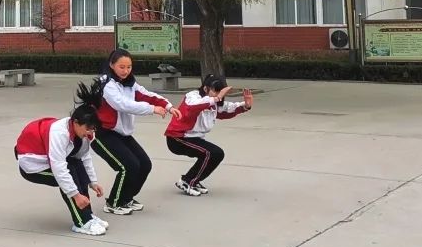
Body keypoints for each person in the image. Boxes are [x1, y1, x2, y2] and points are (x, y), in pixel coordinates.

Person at [91, 48, 180, 215]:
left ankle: (126, 198)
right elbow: (122, 104)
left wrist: (168, 106)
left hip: (123, 134)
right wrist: (152, 109)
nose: (126, 71)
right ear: (111, 65)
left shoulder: (130, 83)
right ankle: (114, 203)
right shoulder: (106, 84)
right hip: (103, 134)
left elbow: (146, 95)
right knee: (128, 166)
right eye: (121, 67)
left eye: (129, 67)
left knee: (144, 164)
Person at [15, 82, 109, 236]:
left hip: (52, 162)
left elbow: (84, 157)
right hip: (32, 166)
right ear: (75, 123)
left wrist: (93, 182)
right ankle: (81, 222)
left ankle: (88, 216)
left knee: (77, 167)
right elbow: (59, 168)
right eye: (88, 128)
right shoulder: (59, 133)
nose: (90, 132)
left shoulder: (86, 133)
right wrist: (76, 194)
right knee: (69, 178)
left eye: (93, 129)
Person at [165, 75, 253, 196]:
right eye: (215, 90)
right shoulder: (193, 96)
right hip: (177, 138)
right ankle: (187, 181)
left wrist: (245, 105)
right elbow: (192, 107)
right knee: (211, 153)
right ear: (205, 89)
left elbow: (227, 109)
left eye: (220, 91)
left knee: (217, 154)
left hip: (194, 138)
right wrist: (217, 98)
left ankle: (194, 180)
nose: (217, 94)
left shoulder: (215, 101)